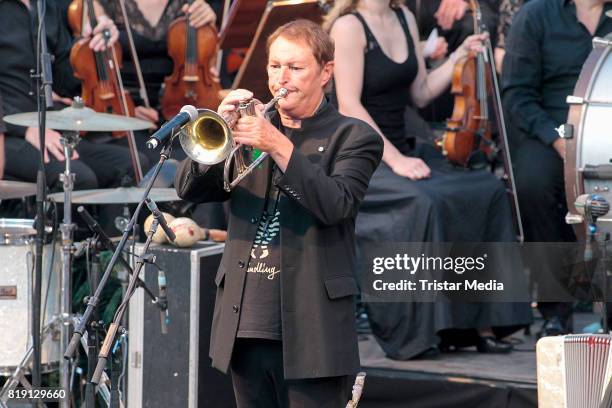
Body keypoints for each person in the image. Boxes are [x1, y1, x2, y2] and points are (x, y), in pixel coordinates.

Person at [175, 19, 383, 407]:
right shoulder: (251, 131)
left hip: (311, 332)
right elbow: (189, 189)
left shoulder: (354, 136)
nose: (280, 78)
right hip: (244, 323)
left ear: (326, 72)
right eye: (274, 66)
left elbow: (336, 204)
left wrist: (278, 145)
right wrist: (221, 127)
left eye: (295, 67)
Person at [326, 0, 532, 359]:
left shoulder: (403, 16)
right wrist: (395, 160)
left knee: (484, 190)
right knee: (425, 202)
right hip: (360, 157)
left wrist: (457, 58)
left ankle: (469, 324)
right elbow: (349, 107)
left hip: (403, 149)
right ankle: (418, 333)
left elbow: (419, 92)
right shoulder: (349, 27)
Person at [501, 0, 612, 336]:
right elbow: (517, 93)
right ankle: (556, 307)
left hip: (606, 134)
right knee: (534, 185)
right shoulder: (537, 15)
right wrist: (559, 141)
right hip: (549, 131)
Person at [0, 0, 138, 190]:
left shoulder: (47, 6)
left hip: (48, 127)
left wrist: (90, 45)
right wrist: (25, 130)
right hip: (8, 133)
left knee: (127, 165)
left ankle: (118, 222)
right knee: (79, 178)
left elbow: (66, 81)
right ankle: (51, 221)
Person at [99, 0, 223, 165]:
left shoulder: (191, 4)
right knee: (148, 162)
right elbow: (95, 66)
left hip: (179, 106)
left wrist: (209, 26)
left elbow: (210, 64)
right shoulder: (103, 4)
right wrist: (126, 108)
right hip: (126, 109)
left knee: (200, 160)